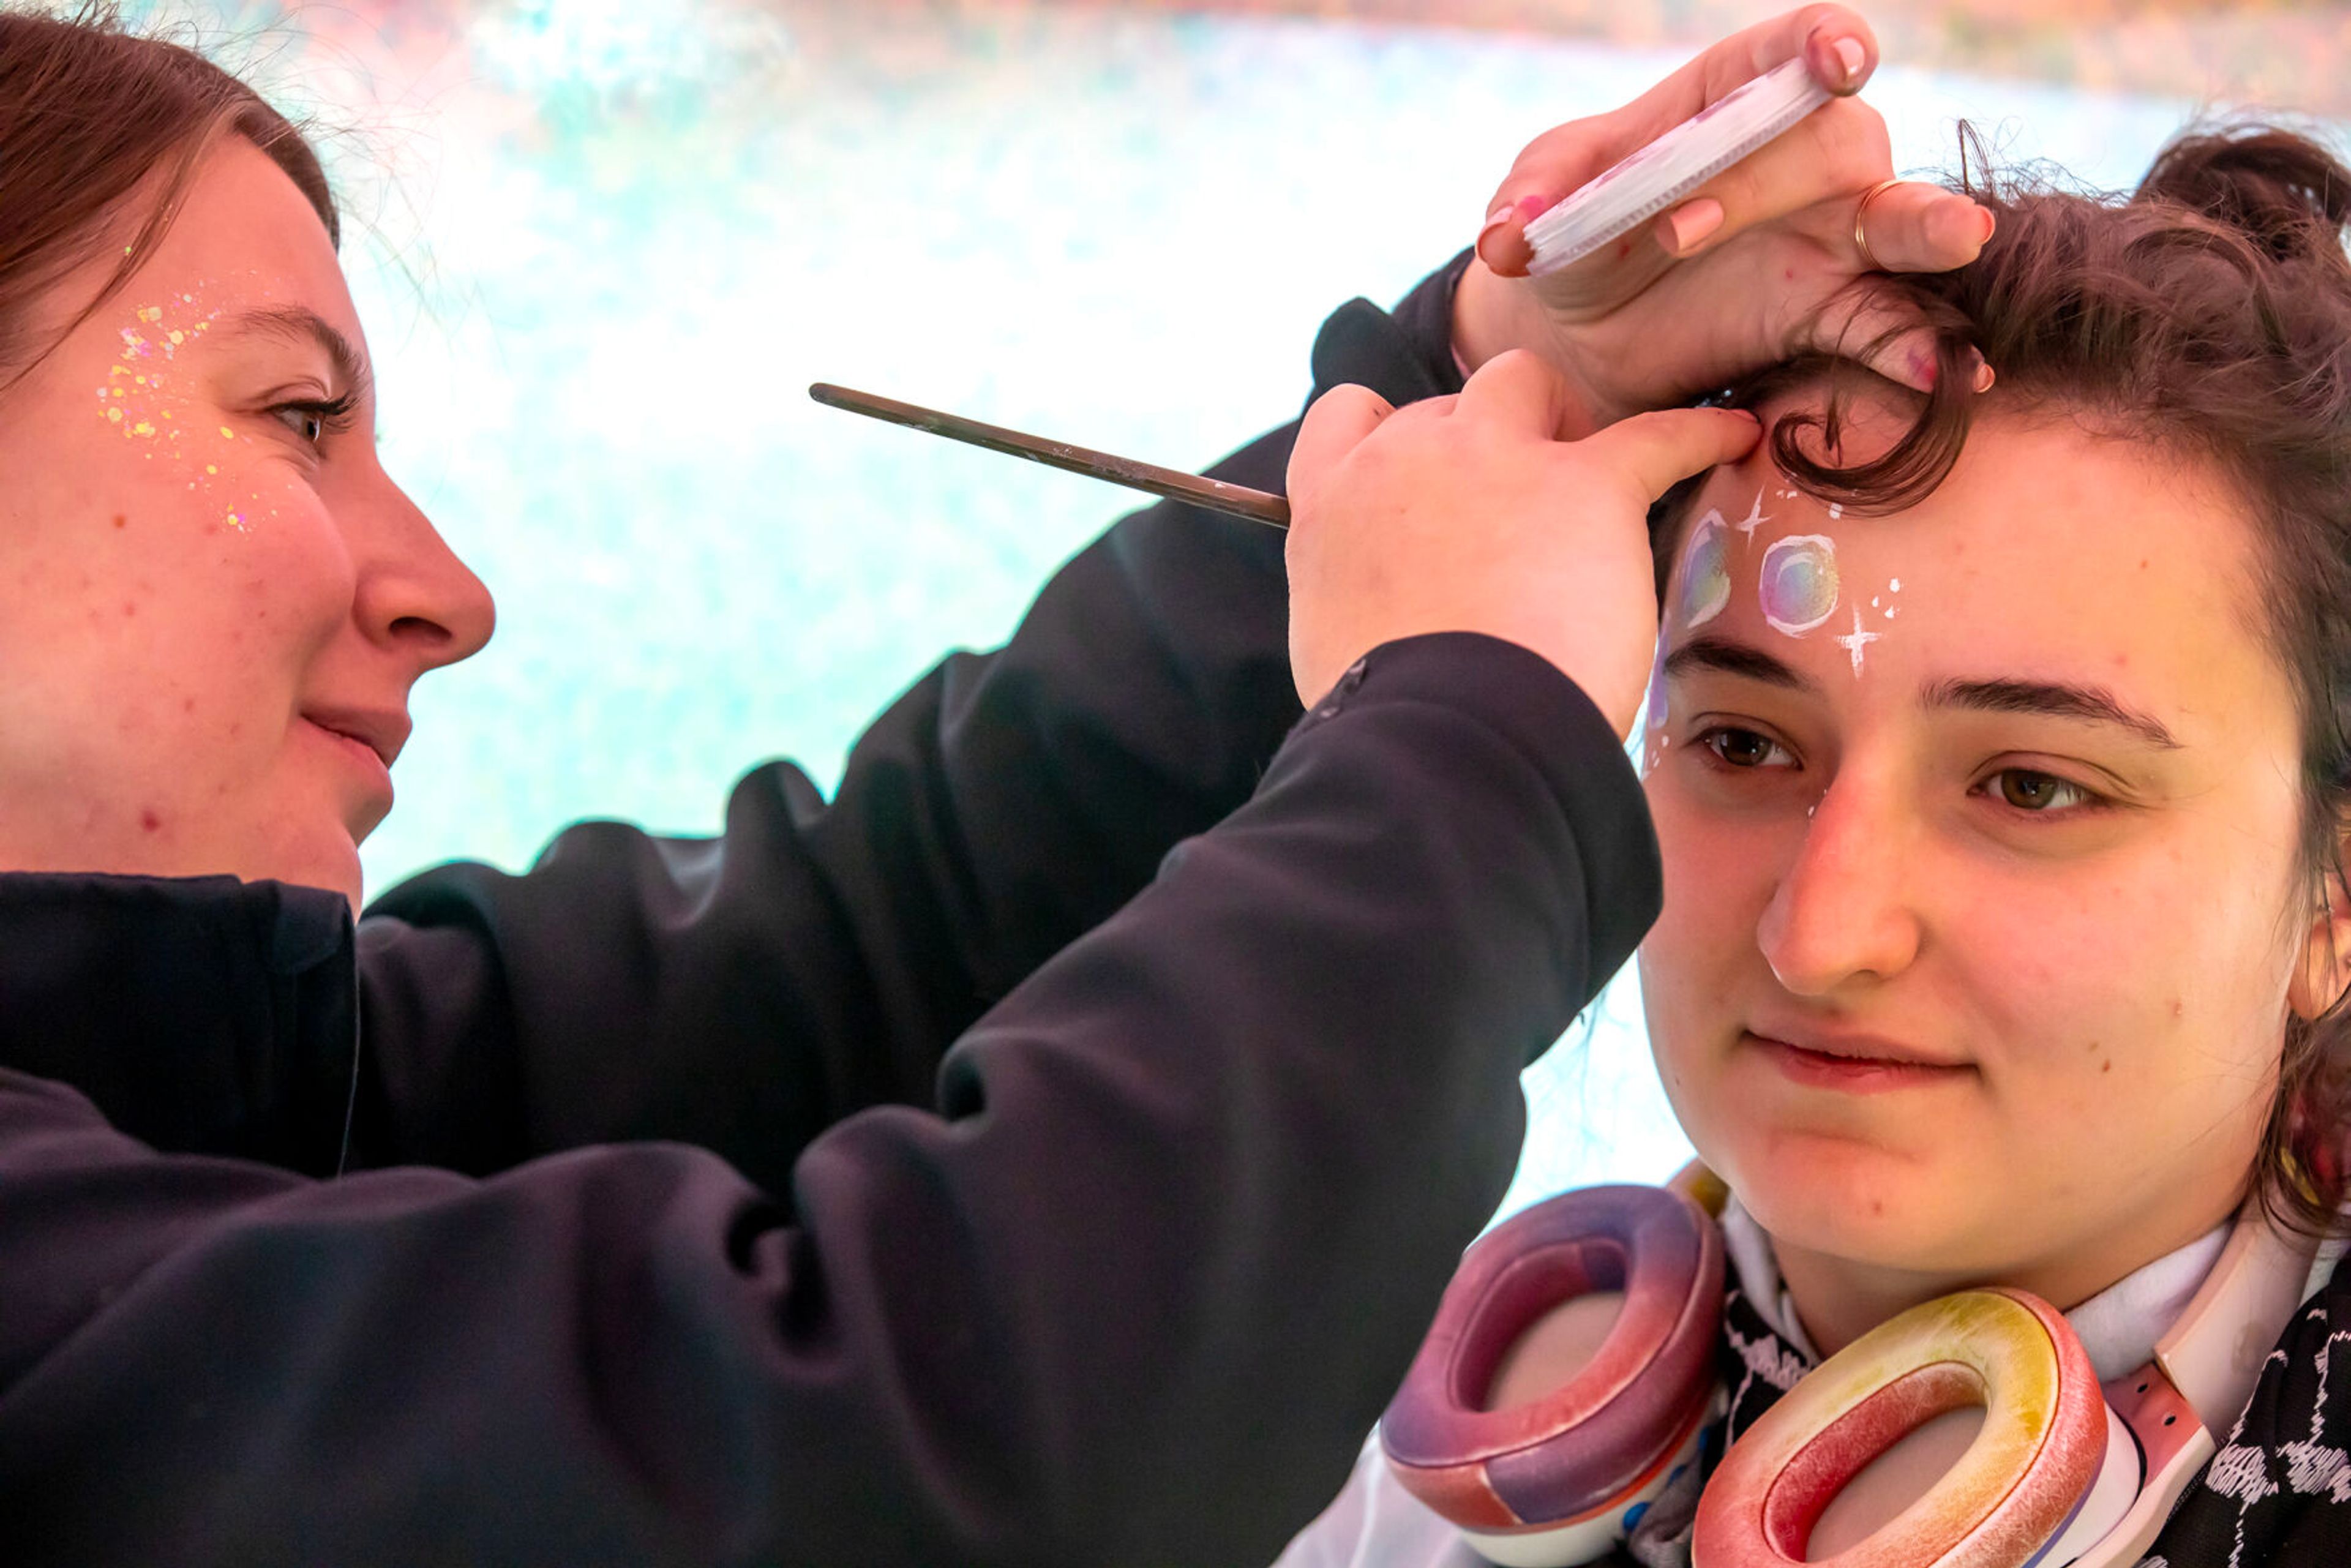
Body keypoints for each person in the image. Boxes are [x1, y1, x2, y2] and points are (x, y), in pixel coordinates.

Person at [0, 4, 1994, 1564]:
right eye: (292, 414)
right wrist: (1467, 730)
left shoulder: (202, 1077)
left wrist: (1480, 376)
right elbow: (884, 1450)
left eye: (2030, 783)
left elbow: (864, 952)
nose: (447, 592)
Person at [1273, 108, 2351, 1568]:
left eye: (2032, 787)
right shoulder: (1382, 1457)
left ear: (2335, 899)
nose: (1819, 930)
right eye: (1743, 745)